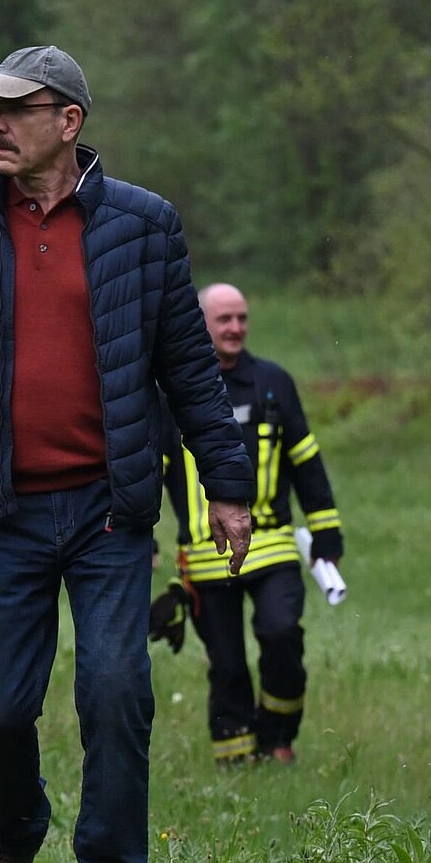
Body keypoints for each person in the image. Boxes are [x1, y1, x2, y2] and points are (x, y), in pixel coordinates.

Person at [0, 45, 254, 863]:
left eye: (17, 108)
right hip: (3, 509)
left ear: (71, 121)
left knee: (118, 691)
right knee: (1, 710)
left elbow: (189, 370)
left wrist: (230, 487)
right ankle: (13, 837)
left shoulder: (143, 225)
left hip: (108, 507)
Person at [155, 283, 344, 766]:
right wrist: (135, 543)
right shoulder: (167, 392)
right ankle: (236, 758)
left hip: (272, 545)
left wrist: (326, 534)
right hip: (204, 555)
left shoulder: (274, 383)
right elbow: (146, 471)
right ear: (201, 324)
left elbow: (306, 461)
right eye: (225, 320)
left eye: (242, 318)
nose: (236, 328)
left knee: (281, 634)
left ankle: (278, 736)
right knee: (228, 665)